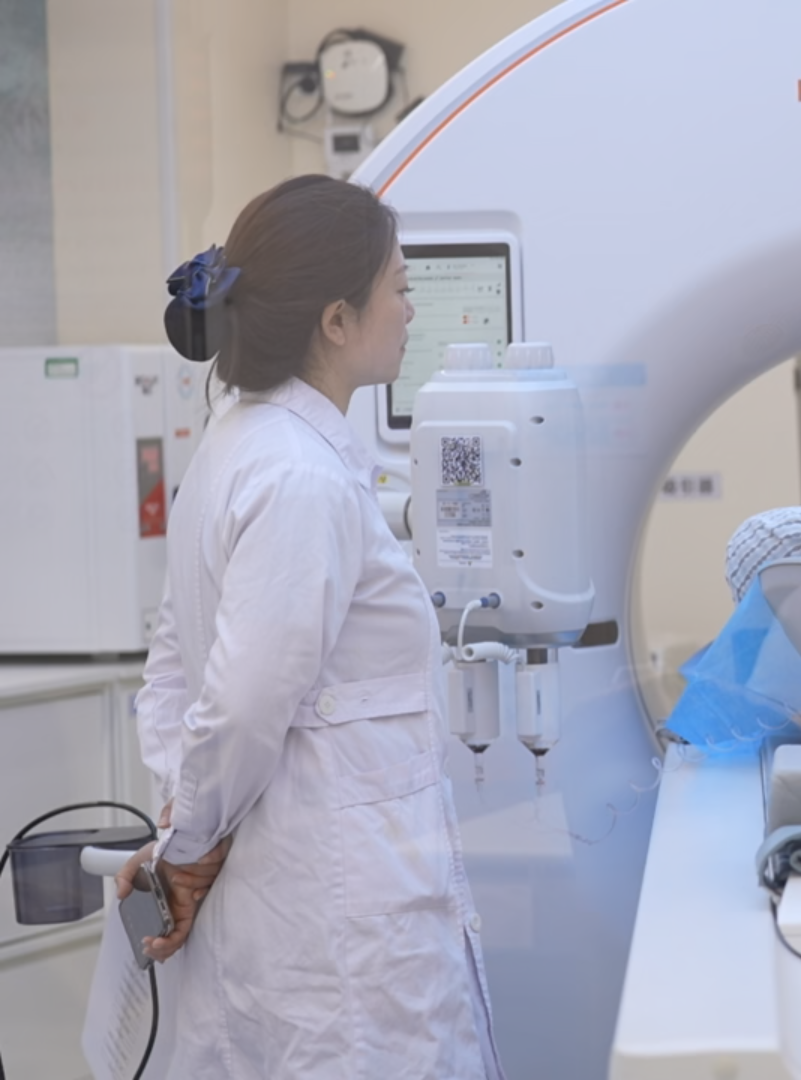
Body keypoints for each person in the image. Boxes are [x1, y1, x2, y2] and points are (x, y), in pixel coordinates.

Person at [116, 175, 505, 1076]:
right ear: (336, 320)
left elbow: (170, 675)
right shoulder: (299, 477)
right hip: (336, 928)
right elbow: (242, 703)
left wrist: (184, 820)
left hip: (300, 896)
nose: (410, 309)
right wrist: (188, 846)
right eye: (399, 287)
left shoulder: (237, 445)